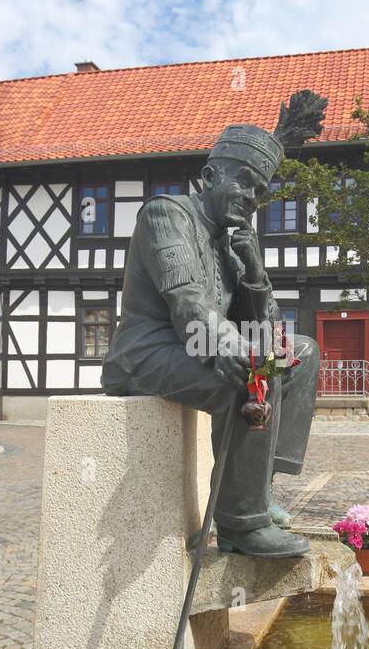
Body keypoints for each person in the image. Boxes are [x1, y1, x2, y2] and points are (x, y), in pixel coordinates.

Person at [102, 92, 328, 558]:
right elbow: (188, 305)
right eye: (243, 184)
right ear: (209, 176)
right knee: (251, 375)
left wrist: (255, 270)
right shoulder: (166, 214)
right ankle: (240, 526)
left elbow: (270, 330)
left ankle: (259, 488)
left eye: (259, 193)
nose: (250, 199)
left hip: (195, 346)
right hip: (148, 352)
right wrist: (248, 356)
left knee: (301, 352)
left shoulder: (230, 241)